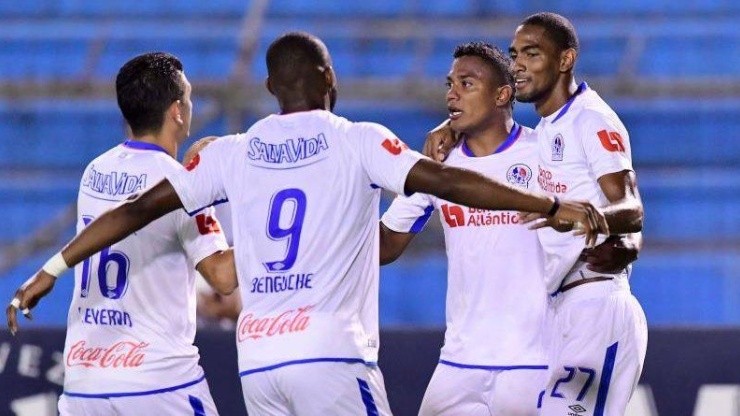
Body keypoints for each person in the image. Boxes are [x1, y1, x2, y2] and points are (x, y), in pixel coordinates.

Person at [7, 32, 608, 416]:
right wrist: (550, 208)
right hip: (331, 358)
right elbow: (445, 181)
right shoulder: (358, 141)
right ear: (330, 80)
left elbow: (136, 211)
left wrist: (52, 268)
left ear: (269, 87)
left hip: (258, 365)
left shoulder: (230, 152)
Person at [380, 42, 640, 416]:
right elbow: (386, 244)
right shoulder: (437, 166)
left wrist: (624, 243)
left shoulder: (547, 154)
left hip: (537, 360)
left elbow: (611, 213)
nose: (451, 93)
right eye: (450, 83)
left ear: (503, 94)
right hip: (459, 363)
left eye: (466, 84)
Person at [8, 52, 237, 415]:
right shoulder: (182, 186)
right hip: (157, 382)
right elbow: (223, 278)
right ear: (177, 111)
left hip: (85, 383)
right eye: (189, 98)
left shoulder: (94, 172)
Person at [508, 12, 647, 415]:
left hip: (595, 302)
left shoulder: (591, 118)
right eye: (515, 54)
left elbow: (631, 207)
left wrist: (591, 218)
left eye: (532, 54)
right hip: (559, 308)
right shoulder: (548, 126)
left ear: (565, 59)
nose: (518, 64)